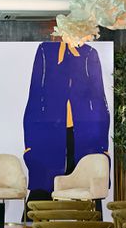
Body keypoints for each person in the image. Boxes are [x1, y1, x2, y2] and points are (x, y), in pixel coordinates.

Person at [23, 41, 110, 199]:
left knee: (85, 189)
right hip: (49, 132)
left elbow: (99, 99)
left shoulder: (89, 53)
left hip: (85, 134)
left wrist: (103, 145)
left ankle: (88, 218)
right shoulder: (45, 51)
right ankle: (36, 216)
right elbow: (35, 94)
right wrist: (29, 143)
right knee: (44, 185)